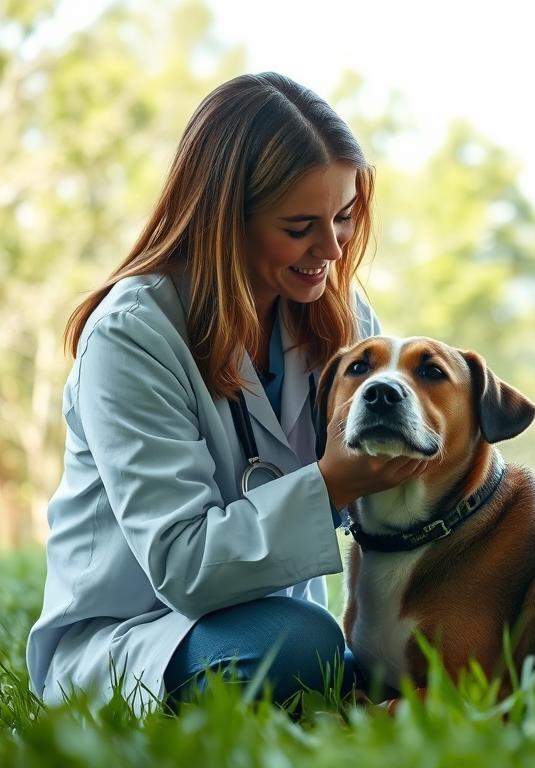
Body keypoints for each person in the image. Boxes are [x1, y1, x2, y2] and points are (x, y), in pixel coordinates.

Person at [25, 72, 428, 711]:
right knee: (298, 646)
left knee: (406, 642)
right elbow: (183, 565)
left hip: (275, 617)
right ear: (225, 220)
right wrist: (332, 485)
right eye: (300, 226)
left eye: (345, 217)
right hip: (138, 636)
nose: (330, 249)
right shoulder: (133, 335)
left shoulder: (341, 315)